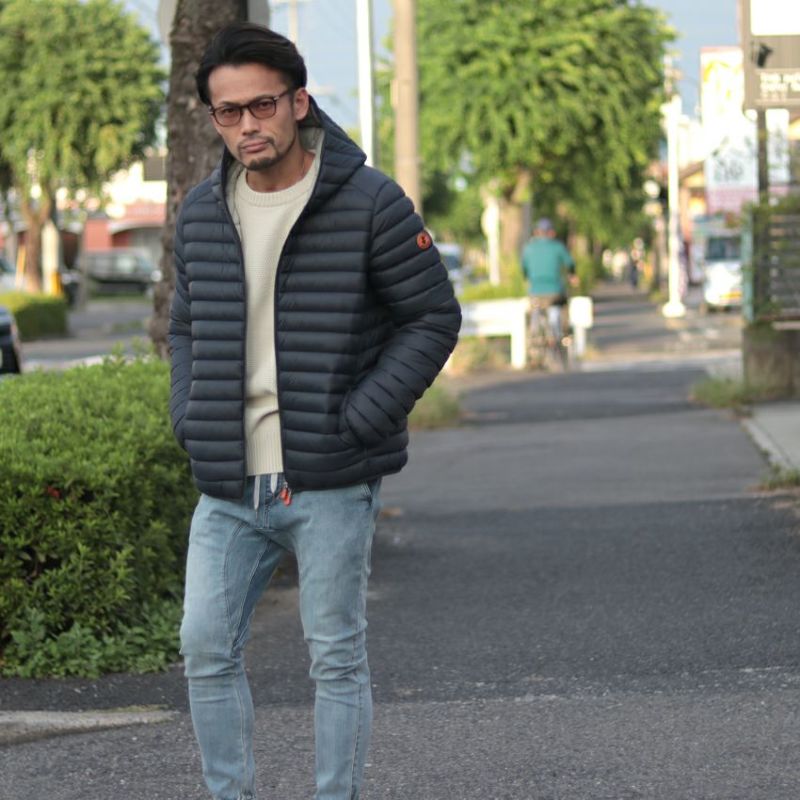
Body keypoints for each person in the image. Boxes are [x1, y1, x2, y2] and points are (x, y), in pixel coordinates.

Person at [168, 22, 461, 800]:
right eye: (228, 112)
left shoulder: (369, 202)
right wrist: (190, 415)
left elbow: (432, 317)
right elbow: (185, 327)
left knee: (334, 656)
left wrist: (361, 416)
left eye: (261, 105)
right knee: (204, 648)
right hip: (229, 481)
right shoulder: (202, 212)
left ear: (298, 102)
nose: (247, 125)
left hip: (328, 476)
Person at [521, 217, 576, 347]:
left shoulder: (528, 248)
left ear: (536, 232)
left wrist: (528, 278)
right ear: (551, 232)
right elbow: (570, 264)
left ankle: (533, 340)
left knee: (533, 310)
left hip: (535, 292)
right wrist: (572, 275)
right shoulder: (557, 247)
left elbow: (524, 270)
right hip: (555, 292)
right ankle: (565, 335)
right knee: (563, 306)